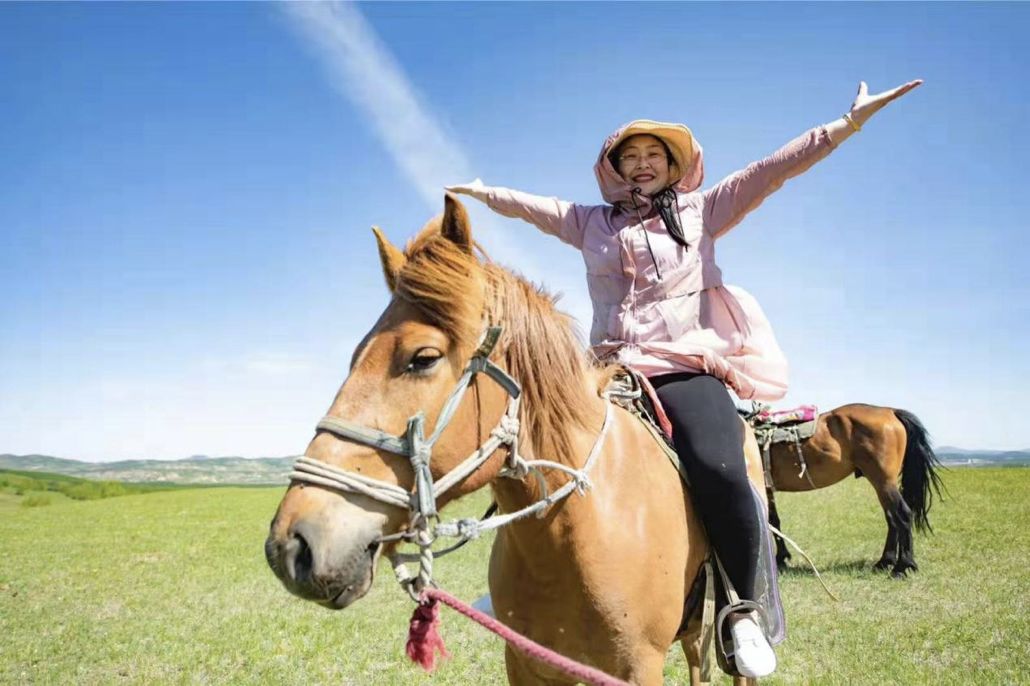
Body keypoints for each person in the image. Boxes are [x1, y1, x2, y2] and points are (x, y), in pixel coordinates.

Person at [447, 79, 922, 678]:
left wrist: (845, 124)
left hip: (681, 368)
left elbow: (773, 170)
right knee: (524, 439)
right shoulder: (588, 221)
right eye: (630, 158)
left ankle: (742, 608)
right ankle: (521, 588)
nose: (641, 166)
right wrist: (485, 193)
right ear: (614, 169)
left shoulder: (705, 210)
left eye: (654, 157)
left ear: (674, 166)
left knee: (721, 466)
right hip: (604, 370)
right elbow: (533, 207)